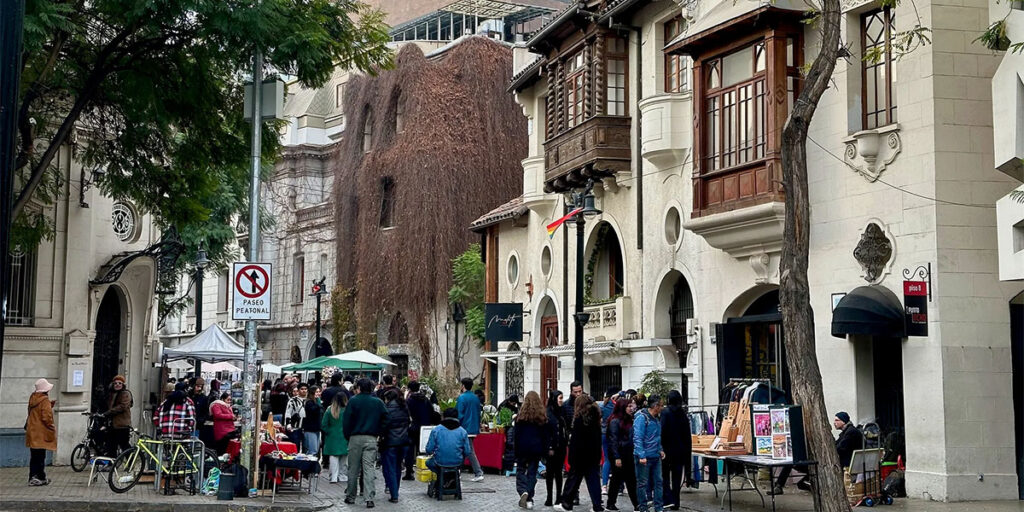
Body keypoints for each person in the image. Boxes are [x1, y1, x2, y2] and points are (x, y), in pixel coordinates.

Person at [343, 378, 388, 508]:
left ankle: (351, 496)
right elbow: (387, 418)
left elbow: (346, 421)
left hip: (355, 437)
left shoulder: (353, 401)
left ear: (359, 388)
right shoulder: (378, 402)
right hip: (371, 438)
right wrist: (379, 431)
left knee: (353, 469)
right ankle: (369, 498)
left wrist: (348, 436)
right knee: (369, 468)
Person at [554, 394, 603, 512]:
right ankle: (597, 506)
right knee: (593, 481)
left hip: (580, 456)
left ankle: (566, 504)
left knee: (573, 480)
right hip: (593, 455)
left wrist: (571, 457)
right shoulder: (596, 418)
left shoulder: (579, 419)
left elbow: (576, 441)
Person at [514, 391, 549, 509]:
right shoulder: (542, 418)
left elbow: (516, 435)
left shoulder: (520, 417)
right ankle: (529, 497)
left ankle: (523, 491)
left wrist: (515, 450)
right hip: (536, 449)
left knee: (520, 471)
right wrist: (545, 450)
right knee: (532, 473)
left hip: (523, 448)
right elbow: (545, 436)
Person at [425, 408, 474, 490]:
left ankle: (443, 479)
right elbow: (467, 451)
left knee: (428, 463)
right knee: (454, 467)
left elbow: (429, 449)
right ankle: (450, 479)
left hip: (439, 462)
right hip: (457, 463)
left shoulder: (436, 430)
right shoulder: (463, 431)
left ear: (443, 417)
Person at [633, 395, 665, 512]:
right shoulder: (642, 418)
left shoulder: (656, 419)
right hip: (644, 457)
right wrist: (641, 455)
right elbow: (638, 437)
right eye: (661, 405)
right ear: (655, 406)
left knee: (658, 482)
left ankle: (659, 507)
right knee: (642, 483)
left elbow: (657, 436)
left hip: (655, 455)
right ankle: (643, 507)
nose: (662, 408)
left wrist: (660, 449)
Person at [606, 398, 638, 511]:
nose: (631, 409)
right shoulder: (615, 421)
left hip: (628, 453)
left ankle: (635, 504)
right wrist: (617, 457)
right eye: (628, 406)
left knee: (626, 479)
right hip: (620, 454)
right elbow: (613, 440)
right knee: (621, 479)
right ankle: (635, 504)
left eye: (631, 406)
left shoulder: (629, 420)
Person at [660, 391, 690, 511]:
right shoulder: (683, 414)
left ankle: (668, 499)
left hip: (667, 450)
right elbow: (687, 435)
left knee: (665, 476)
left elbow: (662, 431)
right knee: (677, 478)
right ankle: (676, 501)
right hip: (680, 450)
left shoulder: (665, 413)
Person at [382, 389, 411, 503]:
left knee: (390, 468)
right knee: (398, 467)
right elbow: (408, 422)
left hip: (390, 443)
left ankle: (394, 494)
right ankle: (396, 490)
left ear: (388, 399)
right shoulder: (404, 408)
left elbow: (384, 426)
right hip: (403, 441)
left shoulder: (387, 409)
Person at [25, 379, 56, 486]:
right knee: (41, 456)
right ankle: (39, 477)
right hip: (41, 432)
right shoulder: (44, 400)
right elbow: (46, 417)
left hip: (32, 431)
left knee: (34, 456)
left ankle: (35, 476)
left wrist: (49, 405)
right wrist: (51, 427)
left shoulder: (33, 398)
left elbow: (34, 412)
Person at [456, 377, 485, 482]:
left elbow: (459, 414)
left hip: (464, 427)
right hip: (473, 427)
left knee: (469, 451)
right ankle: (457, 471)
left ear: (463, 386)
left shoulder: (461, 398)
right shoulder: (475, 398)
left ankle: (478, 472)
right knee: (464, 450)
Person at [404, 380, 434, 480]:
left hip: (413, 427)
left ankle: (409, 472)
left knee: (410, 450)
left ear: (409, 389)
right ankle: (425, 469)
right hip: (424, 428)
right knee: (423, 450)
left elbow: (406, 414)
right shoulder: (425, 399)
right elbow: (432, 412)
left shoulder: (409, 401)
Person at [544, 389, 568, 507]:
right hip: (551, 448)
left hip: (561, 447)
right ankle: (549, 497)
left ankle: (559, 497)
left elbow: (564, 428)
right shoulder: (548, 413)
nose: (562, 401)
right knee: (550, 473)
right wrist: (549, 447)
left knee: (559, 473)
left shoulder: (561, 412)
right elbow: (546, 432)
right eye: (560, 398)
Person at [322, 392, 350, 483]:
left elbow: (324, 425)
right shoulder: (348, 410)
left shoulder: (330, 409)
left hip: (332, 437)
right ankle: (343, 476)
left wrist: (328, 432)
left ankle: (333, 477)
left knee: (333, 458)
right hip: (345, 436)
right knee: (344, 459)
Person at [104, 375, 133, 456]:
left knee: (124, 445)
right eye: (115, 383)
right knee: (111, 445)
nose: (117, 385)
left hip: (122, 424)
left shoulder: (125, 393)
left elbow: (122, 406)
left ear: (123, 384)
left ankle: (130, 462)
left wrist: (108, 412)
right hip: (113, 424)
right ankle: (112, 463)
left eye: (119, 383)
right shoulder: (112, 394)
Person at [600, 386, 620, 493]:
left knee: (607, 460)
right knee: (617, 459)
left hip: (603, 434)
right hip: (615, 435)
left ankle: (604, 485)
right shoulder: (617, 406)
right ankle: (618, 486)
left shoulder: (603, 405)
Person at [287, 383, 308, 450]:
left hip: (307, 426)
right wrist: (288, 423)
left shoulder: (310, 400)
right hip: (295, 426)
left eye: (305, 389)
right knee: (296, 445)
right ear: (298, 390)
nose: (304, 391)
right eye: (302, 389)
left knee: (306, 446)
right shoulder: (292, 400)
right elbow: (288, 412)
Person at [303, 385, 323, 456]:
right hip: (310, 429)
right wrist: (318, 403)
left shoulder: (317, 402)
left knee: (316, 450)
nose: (318, 393)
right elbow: (313, 410)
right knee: (312, 450)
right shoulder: (309, 403)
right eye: (316, 392)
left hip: (317, 429)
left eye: (319, 392)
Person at [190, 378, 210, 443]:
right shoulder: (188, 396)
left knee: (195, 442)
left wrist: (202, 419)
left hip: (198, 424)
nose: (199, 389)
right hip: (188, 423)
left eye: (201, 387)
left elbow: (206, 411)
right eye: (197, 386)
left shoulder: (203, 398)